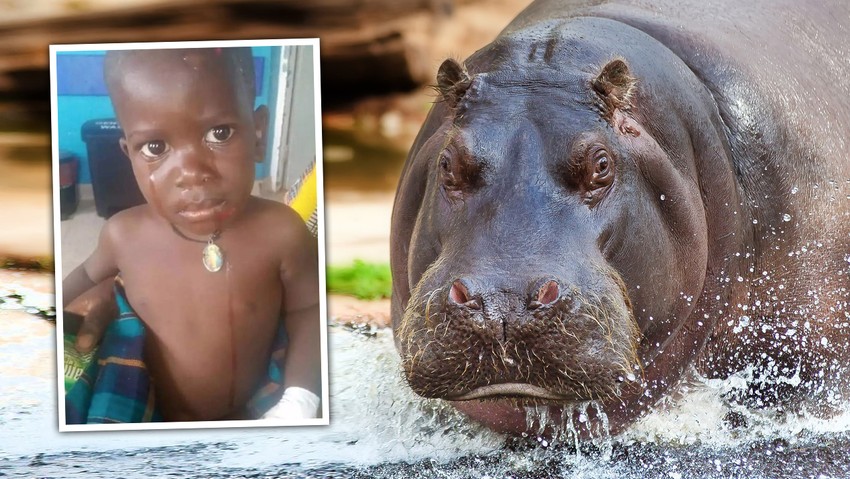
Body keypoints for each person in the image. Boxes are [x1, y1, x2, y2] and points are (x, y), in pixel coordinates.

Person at [62, 47, 321, 423]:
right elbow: (84, 278)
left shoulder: (282, 233)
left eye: (220, 133)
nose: (191, 171)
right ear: (128, 154)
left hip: (259, 412)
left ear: (259, 133)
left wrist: (299, 399)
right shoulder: (123, 235)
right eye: (155, 147)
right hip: (155, 416)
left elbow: (309, 312)